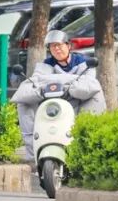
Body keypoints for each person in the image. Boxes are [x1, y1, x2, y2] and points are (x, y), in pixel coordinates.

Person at [12, 27, 106, 161]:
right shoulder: (46, 64)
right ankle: (33, 151)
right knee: (24, 101)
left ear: (68, 46)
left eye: (59, 45)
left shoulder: (84, 62)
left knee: (95, 93)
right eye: (52, 46)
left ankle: (88, 148)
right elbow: (37, 81)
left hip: (77, 102)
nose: (56, 49)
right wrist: (69, 81)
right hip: (52, 104)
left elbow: (87, 85)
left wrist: (54, 82)